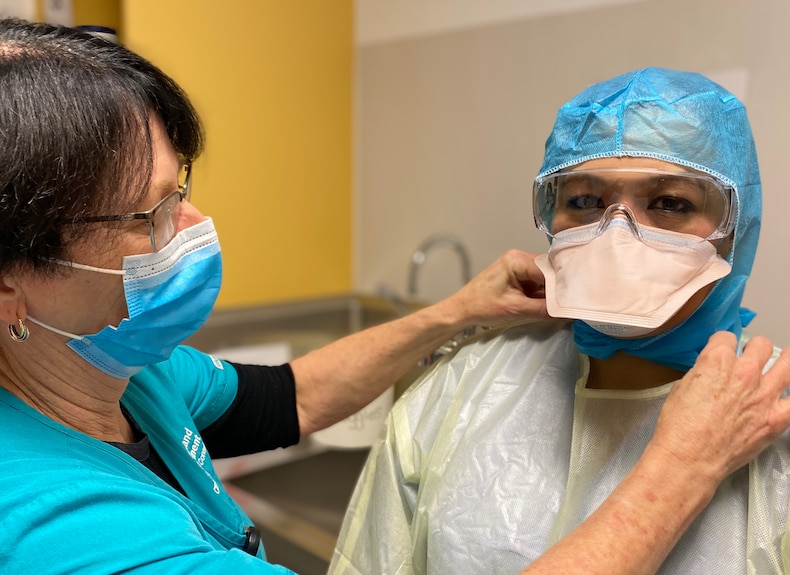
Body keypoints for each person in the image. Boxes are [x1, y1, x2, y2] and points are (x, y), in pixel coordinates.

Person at [0, 15, 786, 574]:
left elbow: (285, 398)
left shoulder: (111, 375)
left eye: (671, 204)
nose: (194, 228)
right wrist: (682, 467)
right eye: (148, 216)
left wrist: (456, 312)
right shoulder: (46, 532)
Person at [329, 67, 790, 575]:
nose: (617, 236)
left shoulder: (772, 428)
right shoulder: (462, 391)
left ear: (736, 228)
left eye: (670, 203)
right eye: (586, 201)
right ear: (551, 215)